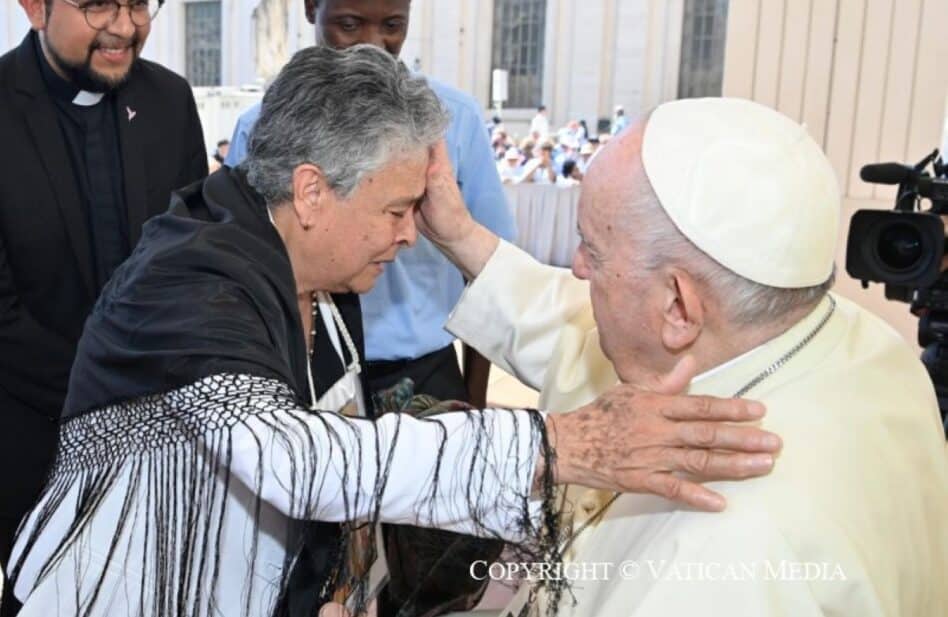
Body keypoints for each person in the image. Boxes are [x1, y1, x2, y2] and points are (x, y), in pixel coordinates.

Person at [4, 47, 780, 617]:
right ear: (313, 191)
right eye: (397, 208)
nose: (412, 235)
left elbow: (351, 451)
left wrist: (350, 585)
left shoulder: (320, 273)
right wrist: (557, 447)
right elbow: (296, 460)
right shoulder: (188, 279)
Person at [434, 98, 948, 616]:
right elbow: (576, 327)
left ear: (678, 307)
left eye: (592, 248)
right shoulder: (857, 343)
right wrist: (458, 233)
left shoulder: (724, 550)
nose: (578, 268)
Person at [0, 0, 206, 612]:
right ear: (34, 7)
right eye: (96, 5)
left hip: (164, 445)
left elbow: (195, 260)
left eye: (139, 3)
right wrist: (107, 394)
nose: (124, 27)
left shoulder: (170, 101)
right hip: (33, 447)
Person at [227, 0, 512, 412]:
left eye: (393, 26)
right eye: (349, 24)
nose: (374, 45)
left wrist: (476, 397)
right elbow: (245, 262)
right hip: (302, 372)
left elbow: (488, 278)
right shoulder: (261, 126)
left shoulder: (455, 122)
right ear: (311, 9)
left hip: (421, 373)